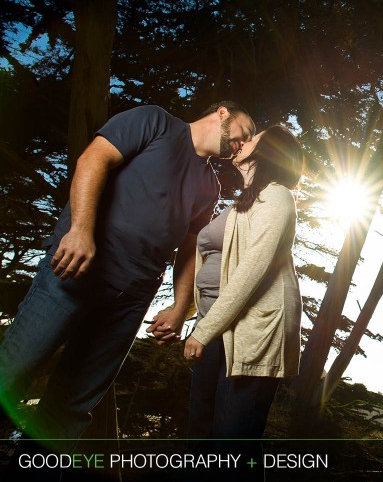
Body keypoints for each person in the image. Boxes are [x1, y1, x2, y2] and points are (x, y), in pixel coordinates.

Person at [0, 101, 256, 444]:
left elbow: (189, 249)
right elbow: (93, 159)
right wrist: (79, 230)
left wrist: (181, 307)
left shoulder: (210, 187)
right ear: (224, 112)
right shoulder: (154, 121)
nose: (245, 142)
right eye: (246, 132)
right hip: (75, 270)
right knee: (13, 371)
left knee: (70, 408)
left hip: (130, 301)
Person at [182, 125, 303, 440]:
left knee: (232, 447)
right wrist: (190, 312)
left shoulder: (277, 196)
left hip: (251, 332)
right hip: (216, 326)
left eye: (255, 139)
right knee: (200, 434)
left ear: (269, 152)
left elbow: (252, 268)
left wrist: (204, 331)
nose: (244, 142)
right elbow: (208, 255)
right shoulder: (242, 203)